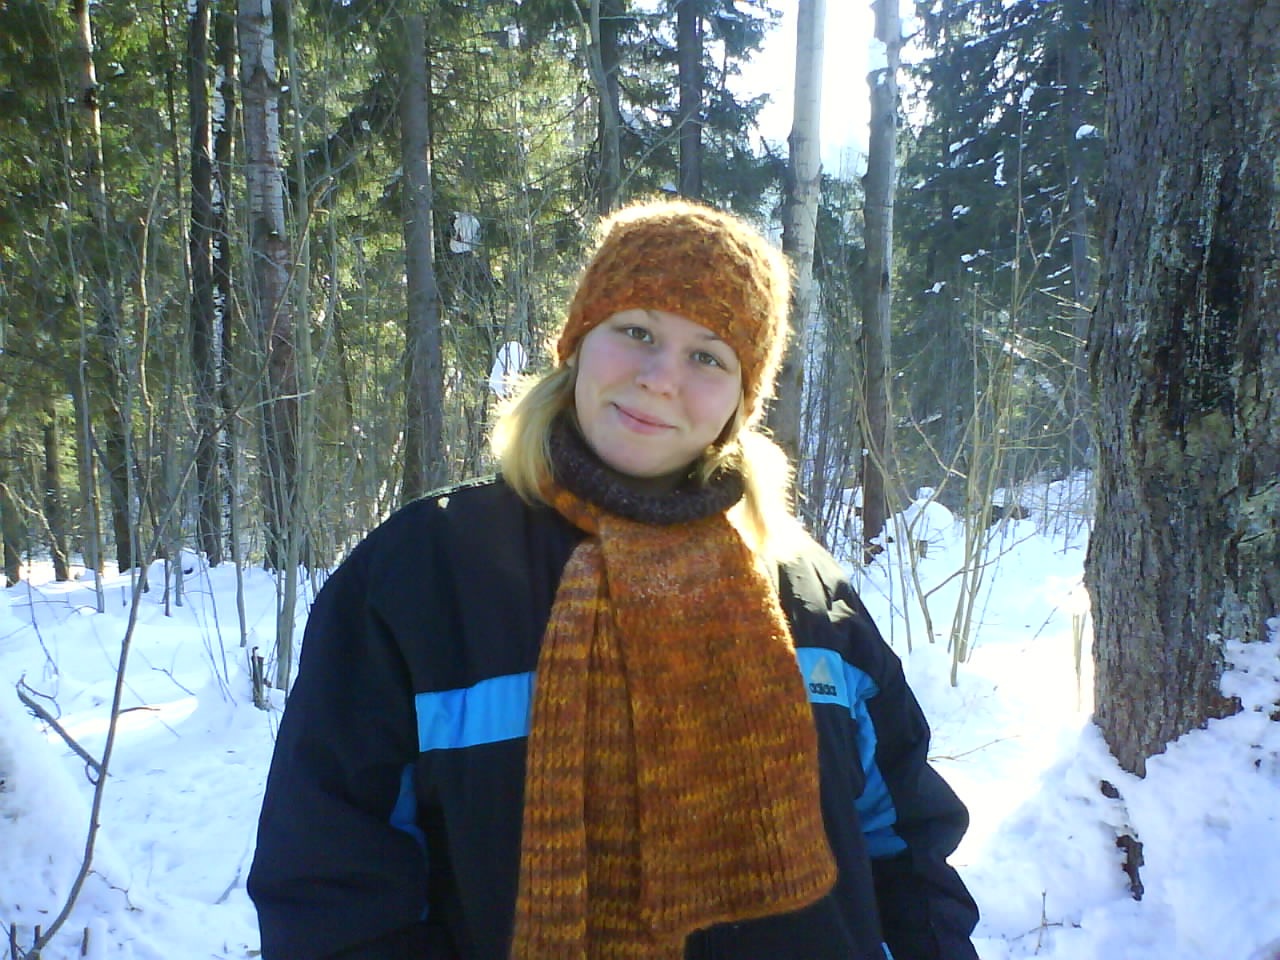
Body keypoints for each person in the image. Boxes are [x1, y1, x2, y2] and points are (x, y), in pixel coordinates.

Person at [248, 199, 980, 960]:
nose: (661, 378)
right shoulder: (422, 574)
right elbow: (332, 886)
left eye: (709, 357)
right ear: (577, 345)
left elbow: (907, 851)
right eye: (637, 332)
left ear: (741, 400)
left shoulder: (807, 592)